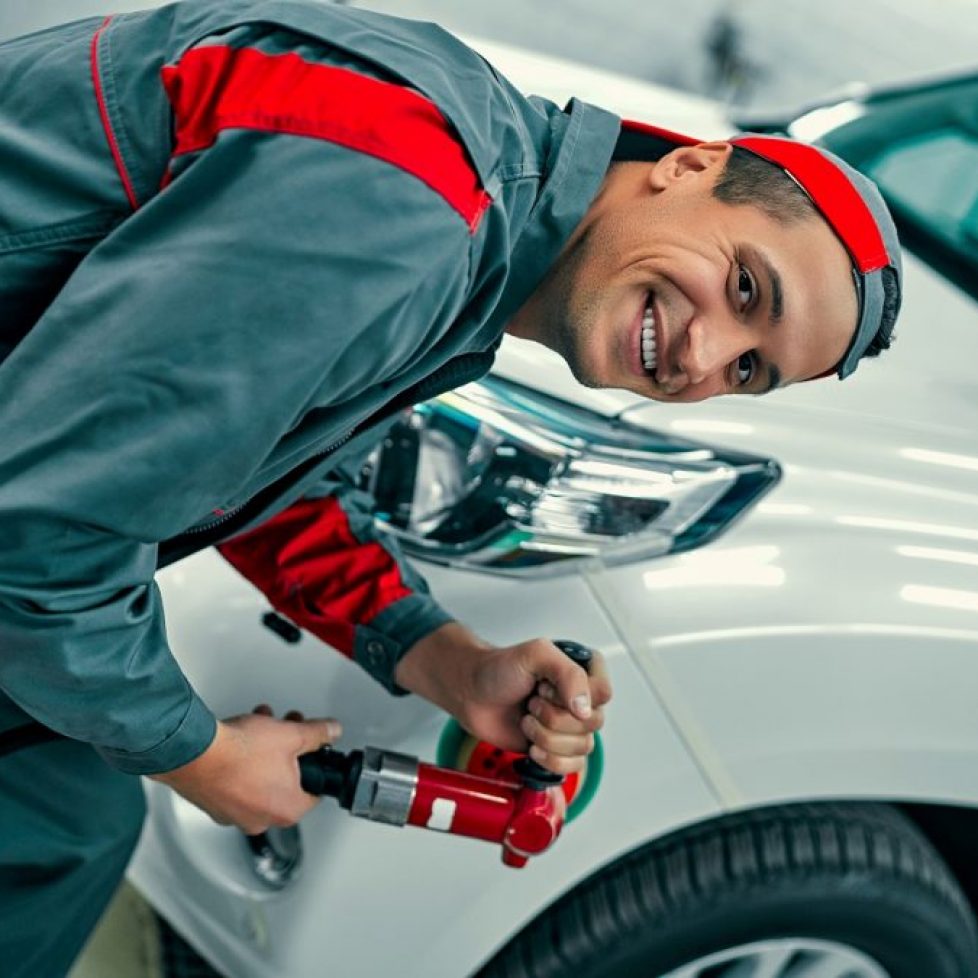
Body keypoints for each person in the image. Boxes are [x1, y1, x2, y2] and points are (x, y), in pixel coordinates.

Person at [0, 1, 901, 975]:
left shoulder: (480, 215)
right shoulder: (409, 193)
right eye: (745, 289)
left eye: (750, 371)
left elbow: (240, 455)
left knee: (64, 821)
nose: (704, 356)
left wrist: (442, 657)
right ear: (688, 166)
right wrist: (200, 756)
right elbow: (40, 530)